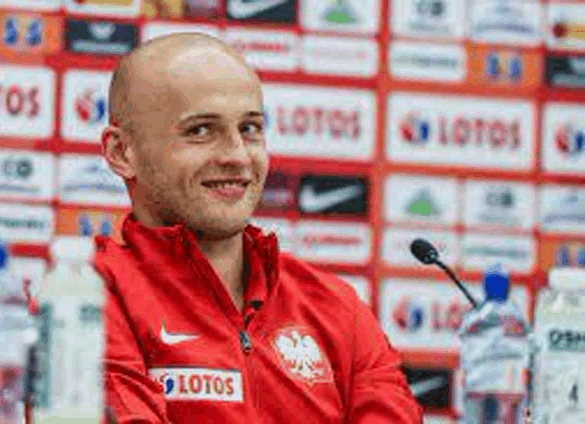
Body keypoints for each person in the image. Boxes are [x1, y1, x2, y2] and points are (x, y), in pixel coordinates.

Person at [96, 32, 422, 424]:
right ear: (121, 153)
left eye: (249, 129)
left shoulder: (336, 307)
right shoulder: (88, 297)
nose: (236, 155)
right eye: (200, 130)